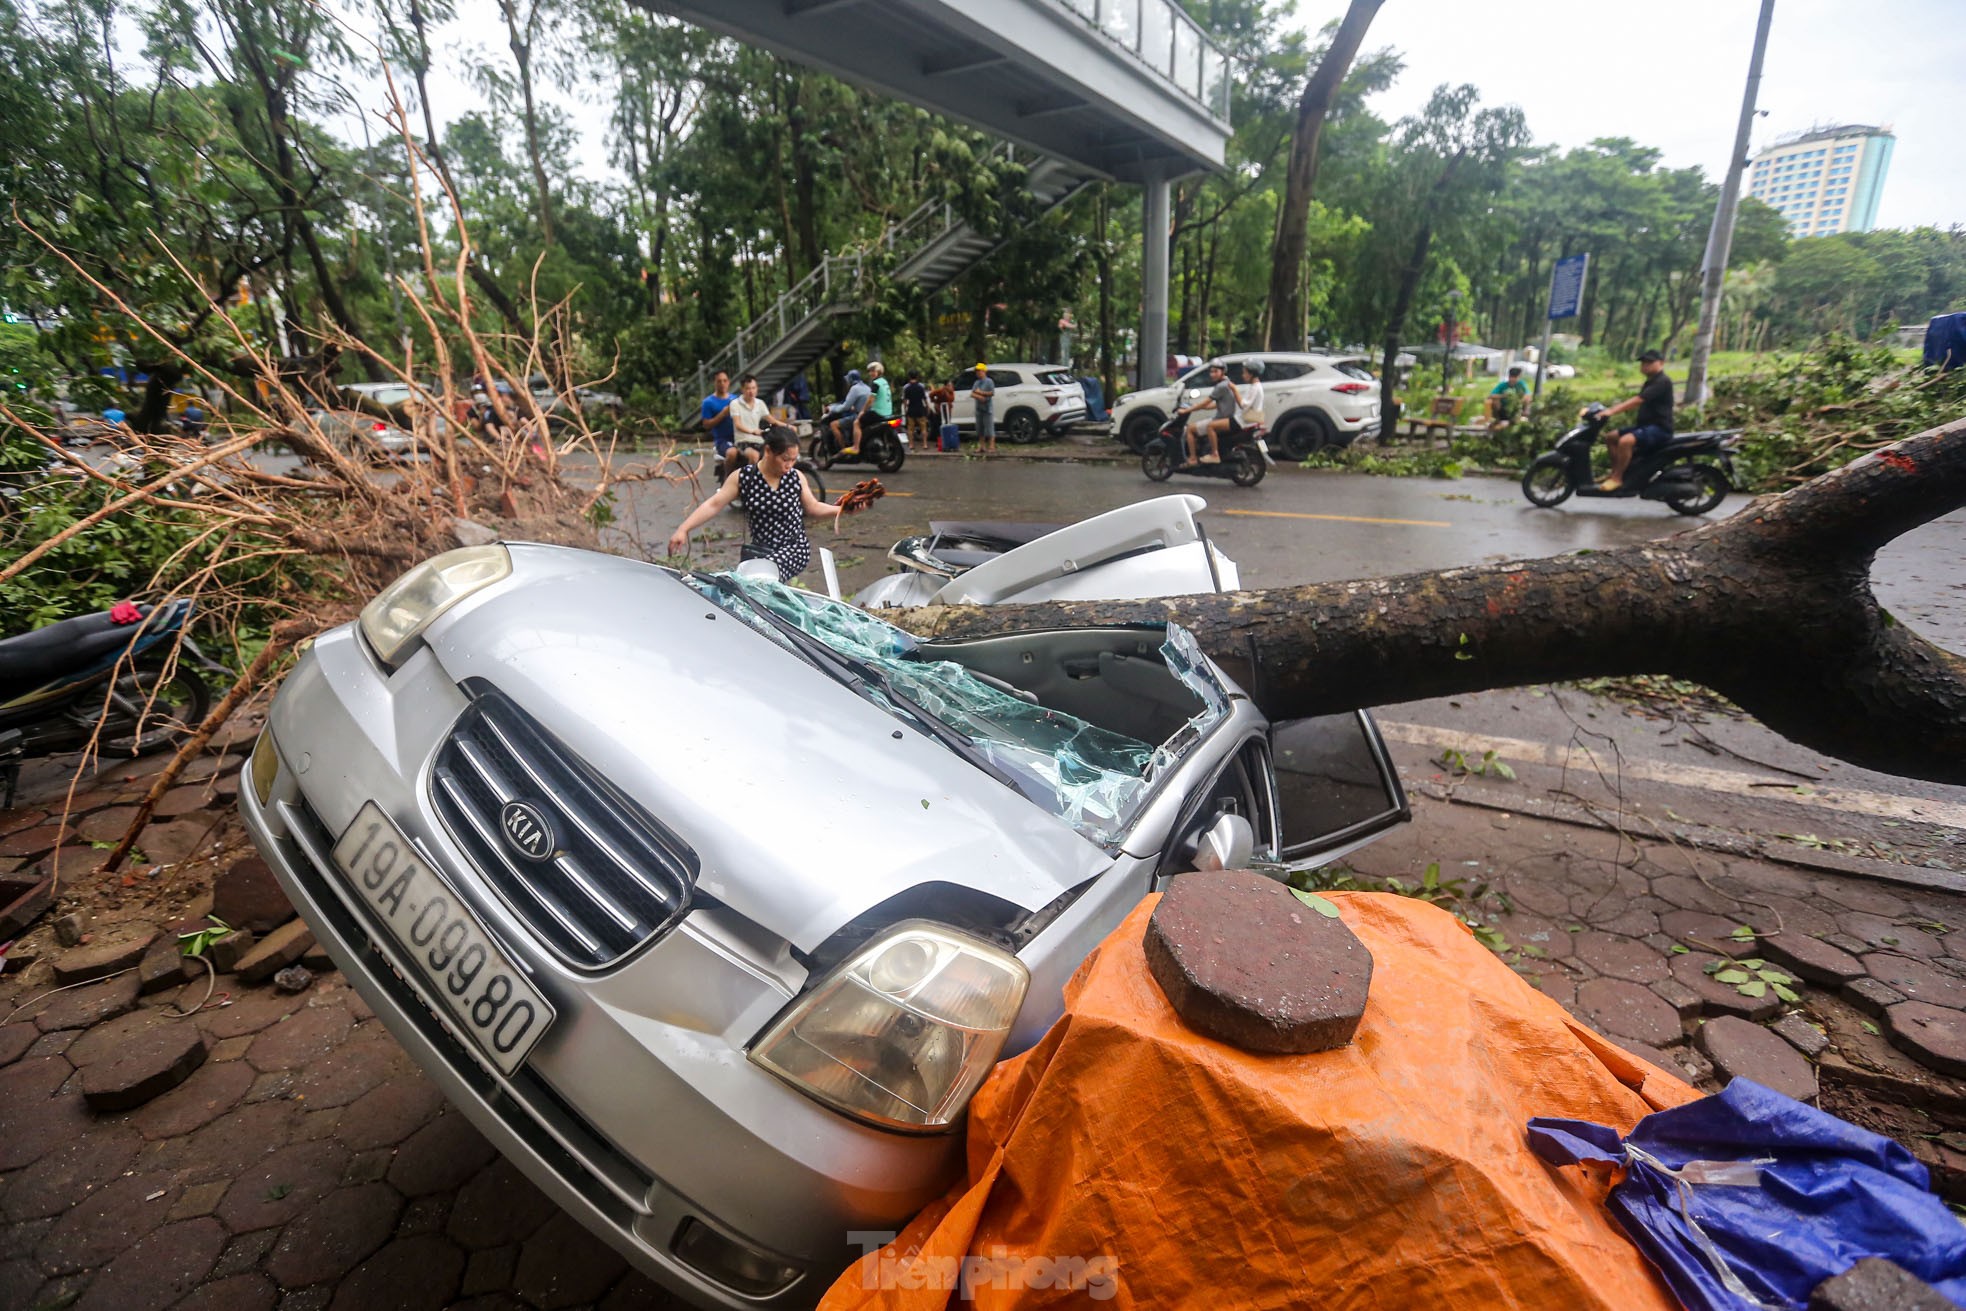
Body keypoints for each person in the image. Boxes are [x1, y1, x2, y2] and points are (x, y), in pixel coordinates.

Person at [668, 426, 845, 581]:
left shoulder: (796, 477)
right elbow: (713, 504)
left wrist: (842, 509)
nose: (789, 465)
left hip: (793, 549)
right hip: (760, 550)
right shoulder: (743, 477)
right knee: (746, 586)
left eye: (793, 460)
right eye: (785, 459)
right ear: (768, 451)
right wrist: (684, 529)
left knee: (760, 579)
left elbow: (813, 507)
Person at [1599, 349, 1675, 491]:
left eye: (1649, 362)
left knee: (1625, 441)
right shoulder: (1650, 381)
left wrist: (1612, 411)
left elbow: (1638, 400)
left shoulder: (1662, 381)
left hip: (1660, 428)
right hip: (1645, 426)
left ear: (1661, 363)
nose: (1645, 366)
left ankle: (1618, 478)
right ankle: (1615, 473)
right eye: (1643, 363)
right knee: (1611, 437)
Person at [1177, 362, 1234, 464]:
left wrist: (1187, 410)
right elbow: (1217, 404)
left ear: (1222, 372)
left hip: (1220, 419)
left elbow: (1206, 402)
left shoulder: (1221, 386)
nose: (1212, 374)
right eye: (1211, 372)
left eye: (1215, 371)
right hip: (1226, 418)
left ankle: (1193, 458)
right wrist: (1201, 407)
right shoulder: (1227, 383)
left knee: (1190, 429)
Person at [722, 374, 771, 477]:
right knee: (754, 456)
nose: (751, 391)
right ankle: (749, 482)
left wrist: (787, 426)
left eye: (753, 388)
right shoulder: (735, 404)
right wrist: (752, 431)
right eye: (748, 388)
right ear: (742, 389)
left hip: (760, 441)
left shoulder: (760, 403)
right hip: (743, 441)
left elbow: (772, 419)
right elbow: (738, 424)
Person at [826, 369, 872, 455]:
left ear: (851, 379)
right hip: (868, 414)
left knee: (833, 424)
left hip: (859, 415)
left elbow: (845, 407)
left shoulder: (855, 389)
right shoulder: (867, 387)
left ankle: (843, 450)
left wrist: (831, 409)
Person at [700, 370, 735, 466]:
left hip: (739, 437)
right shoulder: (708, 402)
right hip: (722, 439)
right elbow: (706, 425)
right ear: (714, 383)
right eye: (719, 381)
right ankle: (728, 477)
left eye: (725, 381)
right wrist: (722, 414)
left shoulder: (735, 399)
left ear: (728, 382)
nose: (722, 384)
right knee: (732, 454)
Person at [860, 361, 894, 451]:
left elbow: (870, 400)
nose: (871, 373)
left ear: (879, 372)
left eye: (873, 371)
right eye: (870, 371)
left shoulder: (876, 384)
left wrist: (862, 411)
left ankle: (856, 447)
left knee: (856, 422)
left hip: (878, 412)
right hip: (888, 413)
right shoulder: (884, 382)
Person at [970, 363, 997, 454]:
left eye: (979, 371)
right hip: (979, 408)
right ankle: (982, 446)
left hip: (987, 408)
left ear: (984, 371)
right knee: (980, 428)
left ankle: (992, 446)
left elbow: (992, 393)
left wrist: (980, 393)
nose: (978, 373)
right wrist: (979, 397)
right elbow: (972, 393)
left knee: (989, 427)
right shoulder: (976, 382)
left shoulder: (989, 381)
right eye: (977, 371)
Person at [902, 370, 931, 449]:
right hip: (920, 409)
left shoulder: (907, 388)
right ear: (917, 377)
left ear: (909, 377)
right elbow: (924, 399)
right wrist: (928, 407)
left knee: (910, 428)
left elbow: (905, 401)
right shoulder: (921, 387)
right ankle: (925, 444)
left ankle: (911, 445)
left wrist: (905, 409)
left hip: (911, 409)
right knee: (923, 428)